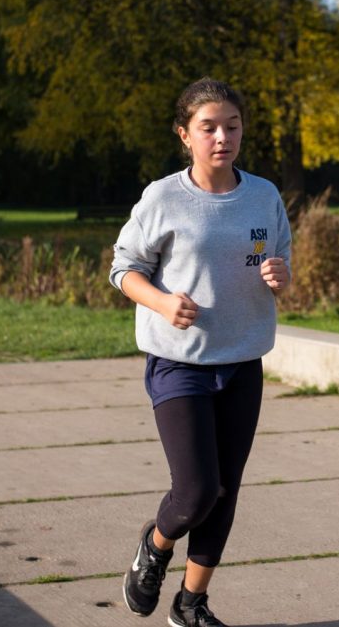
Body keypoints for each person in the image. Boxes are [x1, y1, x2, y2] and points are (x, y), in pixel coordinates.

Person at [110, 78, 291, 625]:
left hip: (242, 362)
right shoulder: (163, 197)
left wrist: (281, 274)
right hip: (179, 364)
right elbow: (124, 270)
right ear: (185, 135)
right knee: (195, 491)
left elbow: (279, 262)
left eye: (232, 126)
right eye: (208, 127)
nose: (222, 137)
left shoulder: (263, 195)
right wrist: (163, 303)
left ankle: (191, 604)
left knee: (225, 491)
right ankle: (156, 545)